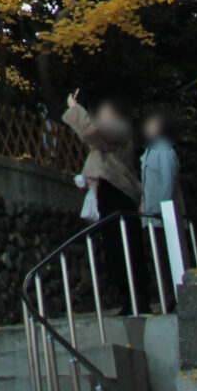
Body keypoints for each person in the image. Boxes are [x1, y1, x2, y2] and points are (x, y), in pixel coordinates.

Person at [64, 91, 148, 315]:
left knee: (125, 245)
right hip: (107, 191)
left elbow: (91, 133)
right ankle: (127, 297)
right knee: (113, 247)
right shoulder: (113, 133)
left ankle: (137, 298)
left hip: (119, 191)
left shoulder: (119, 129)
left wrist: (75, 109)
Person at [141, 109, 186, 309]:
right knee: (159, 260)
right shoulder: (151, 151)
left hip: (164, 217)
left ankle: (174, 299)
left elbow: (168, 181)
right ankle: (167, 297)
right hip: (153, 216)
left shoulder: (164, 150)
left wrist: (163, 208)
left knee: (168, 259)